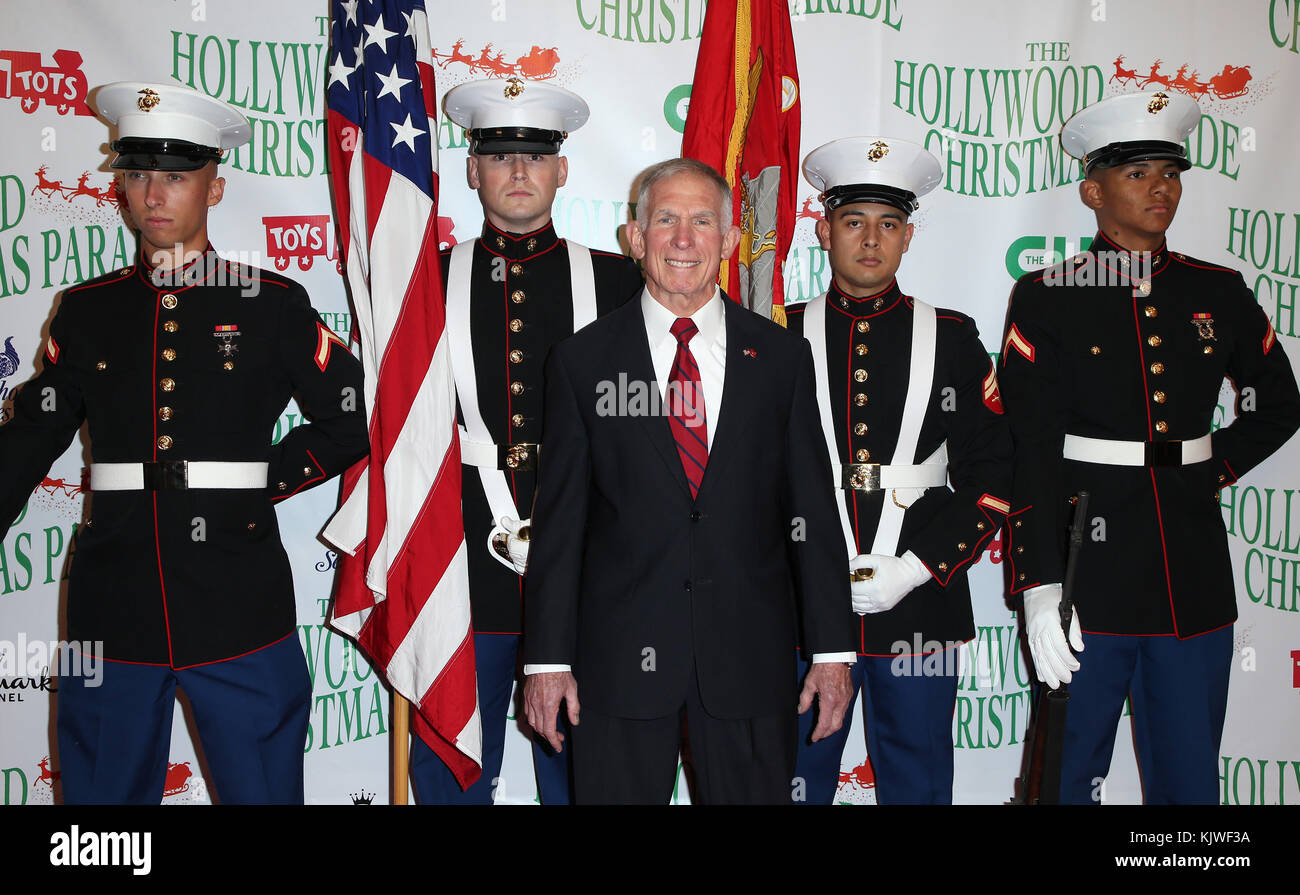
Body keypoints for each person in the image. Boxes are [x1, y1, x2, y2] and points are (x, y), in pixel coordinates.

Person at [0, 81, 368, 803]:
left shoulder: (271, 303)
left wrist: (261, 478)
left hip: (241, 602)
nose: (153, 193)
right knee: (101, 822)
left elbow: (352, 414)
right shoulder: (86, 312)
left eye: (175, 175)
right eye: (137, 174)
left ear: (215, 185)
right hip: (113, 604)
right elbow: (31, 433)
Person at [521, 157, 856, 805]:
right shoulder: (582, 362)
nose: (683, 238)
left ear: (730, 242)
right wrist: (546, 661)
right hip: (616, 665)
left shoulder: (782, 358)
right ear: (635, 238)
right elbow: (560, 523)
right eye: (666, 219)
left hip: (750, 661)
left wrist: (833, 649)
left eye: (703, 221)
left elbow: (812, 510)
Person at [999, 90, 1300, 803]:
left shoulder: (1218, 290)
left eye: (1171, 172)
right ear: (1092, 189)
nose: (1161, 187)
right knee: (1065, 777)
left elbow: (1277, 402)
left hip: (1190, 572)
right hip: (1085, 571)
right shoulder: (1049, 294)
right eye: (1138, 174)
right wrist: (1039, 585)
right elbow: (1029, 445)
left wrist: (1208, 466)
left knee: (1190, 778)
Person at [406, 78, 642, 805]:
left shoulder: (620, 283)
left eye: (534, 157)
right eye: (498, 154)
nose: (516, 171)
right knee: (453, 773)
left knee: (587, 776)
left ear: (561, 170)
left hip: (590, 570)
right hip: (461, 567)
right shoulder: (425, 283)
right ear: (471, 169)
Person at [786, 137, 1013, 804]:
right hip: (801, 608)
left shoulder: (952, 338)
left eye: (888, 225)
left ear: (909, 236)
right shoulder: (775, 336)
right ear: (824, 228)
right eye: (853, 221)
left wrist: (916, 568)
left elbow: (997, 470)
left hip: (921, 603)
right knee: (792, 780)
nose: (870, 241)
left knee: (918, 784)